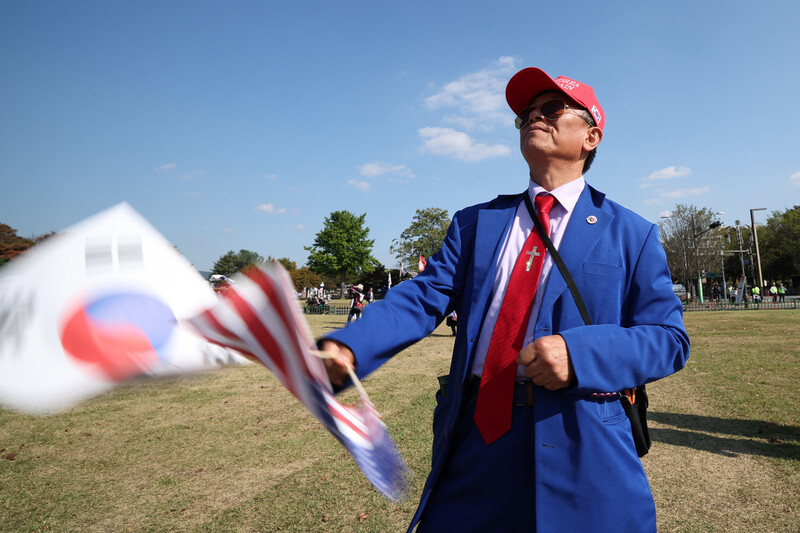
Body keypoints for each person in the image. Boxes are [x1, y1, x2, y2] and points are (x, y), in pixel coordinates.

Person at [320, 67, 689, 532]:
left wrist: (581, 353)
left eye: (552, 109)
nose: (535, 116)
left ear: (591, 136)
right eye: (526, 114)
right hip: (477, 440)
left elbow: (668, 339)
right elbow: (421, 296)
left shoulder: (632, 234)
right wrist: (352, 346)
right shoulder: (476, 223)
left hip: (584, 441)